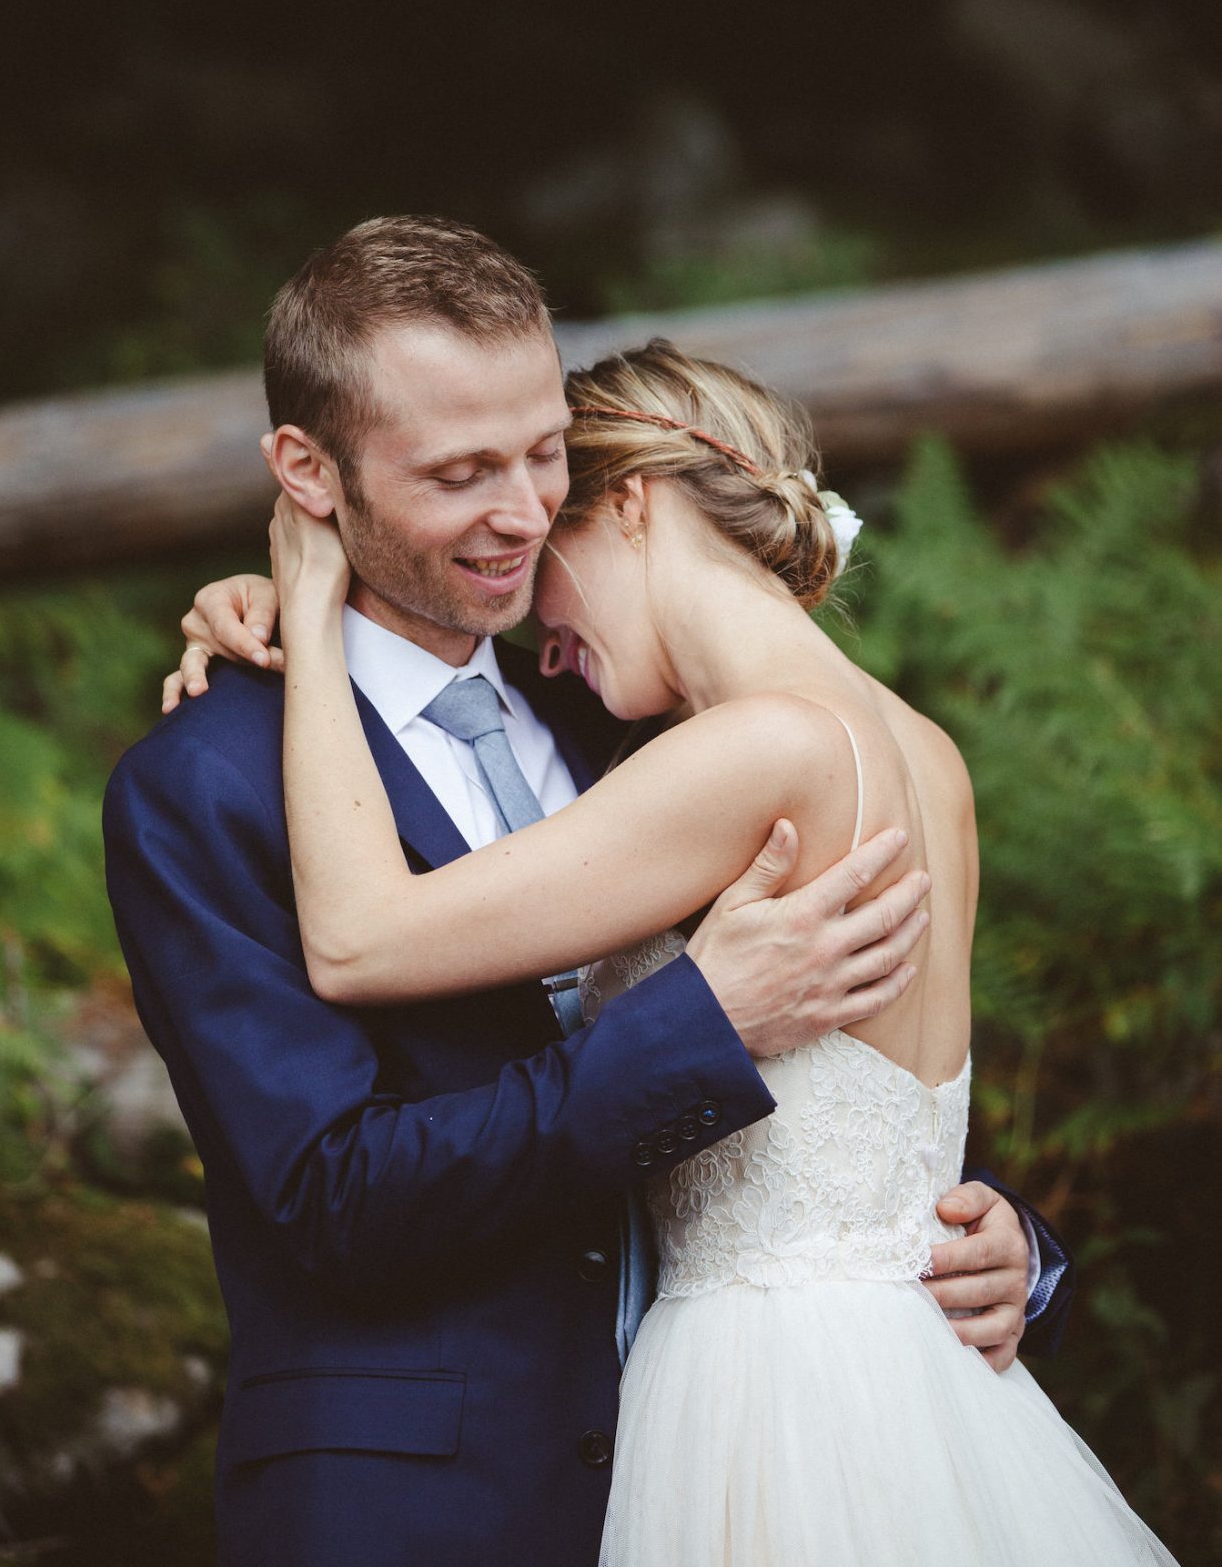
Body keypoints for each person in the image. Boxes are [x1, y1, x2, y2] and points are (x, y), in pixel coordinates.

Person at [106, 216, 1066, 1567]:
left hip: (747, 1457)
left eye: (546, 452)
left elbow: (841, 1087)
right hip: (426, 1509)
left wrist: (1003, 1241)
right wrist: (699, 1020)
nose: (520, 513)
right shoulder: (209, 783)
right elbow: (328, 1197)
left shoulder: (637, 724)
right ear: (307, 474)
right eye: (459, 472)